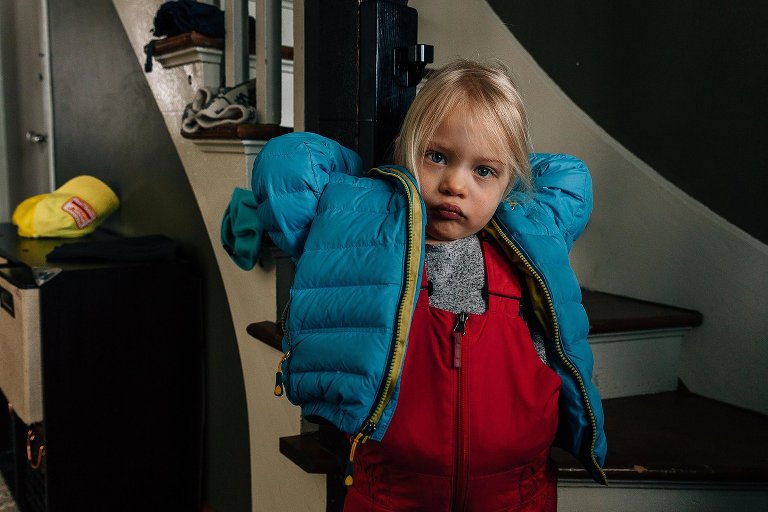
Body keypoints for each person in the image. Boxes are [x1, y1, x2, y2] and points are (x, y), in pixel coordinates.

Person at [221, 58, 607, 511]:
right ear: (408, 149)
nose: (454, 185)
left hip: (517, 493)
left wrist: (499, 163)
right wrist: (383, 180)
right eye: (437, 156)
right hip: (391, 493)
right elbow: (285, 164)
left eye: (484, 171)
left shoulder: (532, 239)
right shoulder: (364, 236)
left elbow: (569, 177)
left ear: (510, 182)